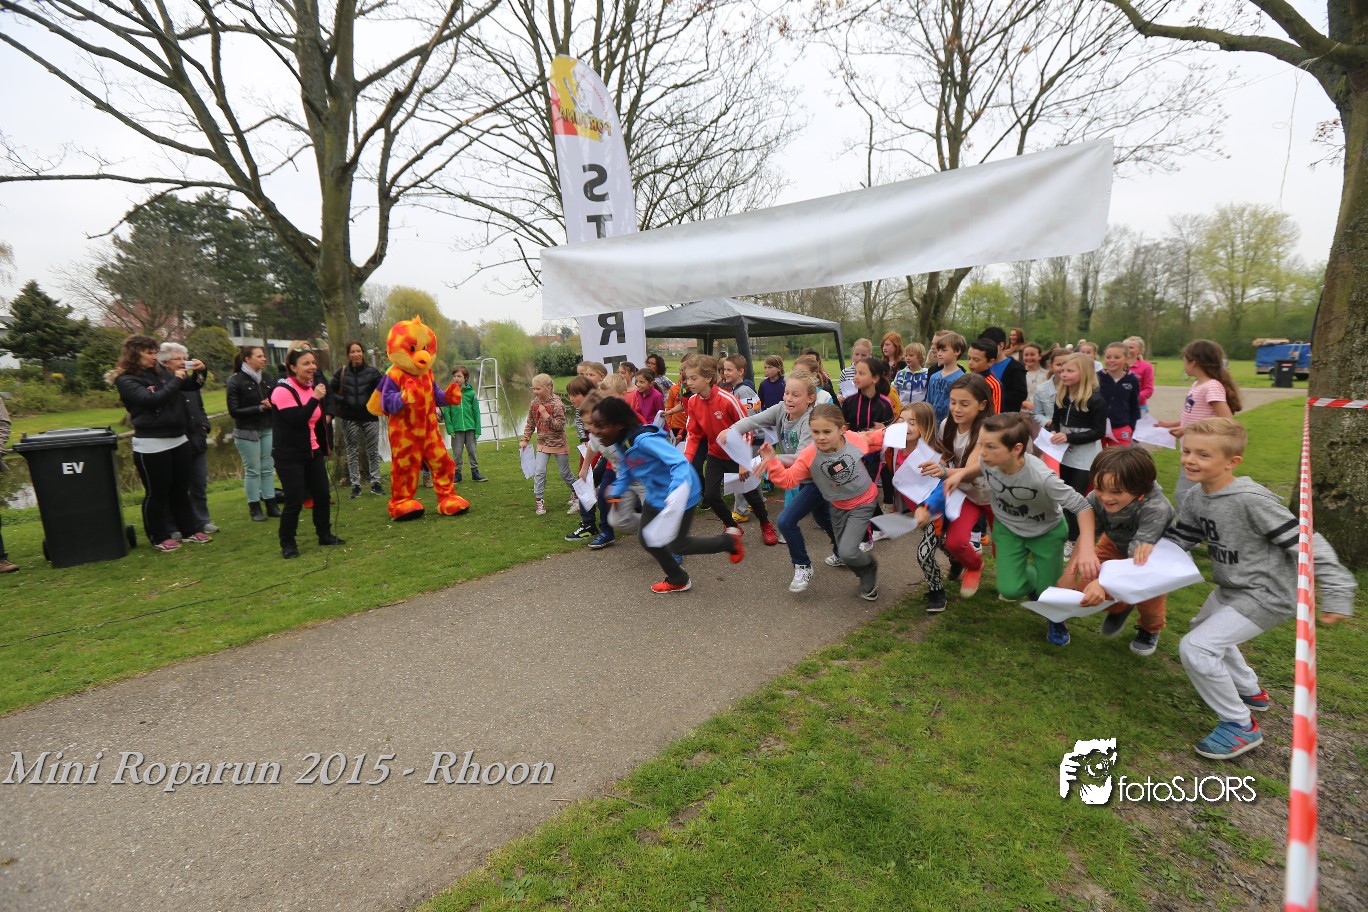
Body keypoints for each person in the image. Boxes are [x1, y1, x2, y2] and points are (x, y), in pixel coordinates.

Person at [1163, 418, 1356, 759]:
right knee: (1202, 630)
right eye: (1187, 451)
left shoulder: (1251, 501)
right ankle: (1249, 690)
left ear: (1231, 462)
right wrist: (1142, 561)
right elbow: (1184, 538)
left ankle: (1239, 725)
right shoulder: (1195, 496)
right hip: (1232, 586)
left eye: (1203, 455)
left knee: (1197, 648)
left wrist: (1338, 591)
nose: (1190, 460)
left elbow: (1308, 543)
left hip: (1268, 593)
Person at [958, 414, 1098, 646]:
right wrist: (953, 475)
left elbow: (1083, 506)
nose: (982, 453)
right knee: (1010, 590)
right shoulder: (989, 461)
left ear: (1016, 449)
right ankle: (1034, 584)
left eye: (990, 446)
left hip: (1047, 532)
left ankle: (1055, 619)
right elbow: (976, 470)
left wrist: (1088, 549)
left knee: (1049, 591)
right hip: (1008, 528)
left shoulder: (1042, 478)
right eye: (981, 444)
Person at [594, 396, 743, 593]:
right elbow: (628, 470)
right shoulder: (622, 444)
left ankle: (729, 542)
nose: (595, 431)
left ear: (618, 424)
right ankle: (678, 578)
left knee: (678, 545)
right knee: (647, 538)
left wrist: (675, 495)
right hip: (657, 495)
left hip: (682, 492)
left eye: (601, 425)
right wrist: (617, 489)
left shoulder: (644, 440)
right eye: (594, 426)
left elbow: (679, 463)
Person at [723, 370, 834, 592]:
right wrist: (731, 430)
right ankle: (846, 547)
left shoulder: (811, 421)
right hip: (804, 478)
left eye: (796, 395)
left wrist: (772, 459)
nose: (789, 398)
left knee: (785, 521)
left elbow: (801, 458)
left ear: (810, 398)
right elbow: (752, 420)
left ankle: (803, 565)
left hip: (818, 478)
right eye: (787, 393)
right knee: (823, 519)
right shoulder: (781, 409)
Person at [1059, 446, 1176, 656]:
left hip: (1150, 558)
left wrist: (1103, 582)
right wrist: (1069, 573)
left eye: (1116, 492)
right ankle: (1121, 606)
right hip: (1113, 543)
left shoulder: (1156, 508)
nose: (1105, 497)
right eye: (1099, 488)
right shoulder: (1096, 497)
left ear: (1140, 487)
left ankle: (1150, 629)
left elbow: (1137, 560)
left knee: (1150, 603)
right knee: (1088, 587)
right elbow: (1087, 535)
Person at [760, 403, 884, 600]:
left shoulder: (853, 439)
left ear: (842, 429)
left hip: (864, 502)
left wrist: (895, 432)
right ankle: (864, 567)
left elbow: (875, 439)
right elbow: (788, 480)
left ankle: (868, 569)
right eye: (815, 432)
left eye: (827, 431)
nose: (821, 437)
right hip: (838, 506)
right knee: (845, 553)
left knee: (847, 551)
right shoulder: (809, 454)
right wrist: (772, 462)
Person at [113, 334, 210, 552]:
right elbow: (151, 400)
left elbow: (192, 385)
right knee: (157, 493)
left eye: (155, 352)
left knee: (180, 490)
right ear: (134, 354)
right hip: (151, 444)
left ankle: (189, 531)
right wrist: (176, 380)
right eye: (149, 353)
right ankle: (159, 536)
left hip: (178, 439)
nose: (154, 356)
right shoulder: (126, 379)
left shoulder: (161, 373)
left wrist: (201, 371)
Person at [682, 355, 778, 544]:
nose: (689, 382)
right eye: (687, 378)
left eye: (693, 378)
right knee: (710, 495)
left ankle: (766, 524)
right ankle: (732, 526)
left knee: (751, 494)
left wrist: (743, 461)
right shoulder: (693, 402)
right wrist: (686, 460)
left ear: (708, 378)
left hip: (737, 455)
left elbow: (747, 429)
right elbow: (693, 434)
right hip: (715, 455)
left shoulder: (728, 400)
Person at [920, 374, 995, 598]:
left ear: (982, 405)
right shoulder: (947, 424)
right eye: (953, 402)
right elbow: (946, 456)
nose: (956, 409)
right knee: (955, 542)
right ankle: (974, 566)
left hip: (996, 497)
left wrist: (942, 471)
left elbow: (971, 471)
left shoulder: (988, 430)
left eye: (964, 404)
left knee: (1004, 547)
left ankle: (1013, 576)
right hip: (968, 496)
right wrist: (934, 465)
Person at [270, 347, 343, 558]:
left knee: (322, 495)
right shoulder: (282, 390)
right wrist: (314, 398)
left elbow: (317, 422)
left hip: (312, 452)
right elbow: (296, 420)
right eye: (306, 363)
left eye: (313, 362)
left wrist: (323, 446)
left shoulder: (311, 387)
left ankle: (324, 534)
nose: (312, 367)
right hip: (289, 455)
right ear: (293, 367)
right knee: (294, 500)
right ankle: (288, 543)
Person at [1155, 339, 1243, 505]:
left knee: (1184, 494)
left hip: (1203, 451)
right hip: (1192, 449)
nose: (1183, 365)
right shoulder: (1198, 384)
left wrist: (1186, 430)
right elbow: (1194, 416)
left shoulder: (1211, 386)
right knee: (1192, 494)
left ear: (1193, 362)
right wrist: (1170, 424)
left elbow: (1226, 419)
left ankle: (1191, 521)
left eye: (1184, 360)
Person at [894, 401, 953, 613]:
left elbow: (944, 486)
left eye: (912, 423)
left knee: (924, 553)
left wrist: (927, 508)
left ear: (926, 426)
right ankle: (957, 560)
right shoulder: (894, 448)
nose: (905, 426)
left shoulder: (934, 455)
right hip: (918, 511)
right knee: (942, 542)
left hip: (934, 512)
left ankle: (937, 592)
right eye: (901, 421)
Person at [1045, 352, 1108, 547]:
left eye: (1070, 371)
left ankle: (1074, 540)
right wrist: (1054, 431)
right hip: (1065, 454)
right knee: (1064, 494)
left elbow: (1099, 431)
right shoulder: (1062, 396)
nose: (1064, 374)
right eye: (1062, 370)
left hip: (1085, 458)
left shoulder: (1096, 400)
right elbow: (1056, 421)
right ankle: (1067, 533)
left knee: (1076, 497)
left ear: (1085, 373)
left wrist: (1069, 437)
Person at [159, 343, 216, 534]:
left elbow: (200, 406)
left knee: (199, 483)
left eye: (184, 358)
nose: (183, 362)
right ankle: (173, 526)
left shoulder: (188, 381)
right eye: (178, 359)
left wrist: (204, 426)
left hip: (196, 439)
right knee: (175, 487)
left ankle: (202, 520)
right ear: (165, 362)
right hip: (175, 441)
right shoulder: (163, 383)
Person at [226, 345, 280, 522]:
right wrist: (259, 408)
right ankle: (254, 508)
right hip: (247, 432)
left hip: (268, 428)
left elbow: (276, 400)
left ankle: (271, 505)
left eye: (264, 355)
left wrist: (272, 404)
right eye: (259, 356)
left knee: (267, 468)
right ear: (247, 359)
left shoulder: (268, 378)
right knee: (253, 470)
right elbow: (234, 411)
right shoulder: (235, 381)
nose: (264, 359)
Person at [331, 340, 385, 498]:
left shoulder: (372, 372)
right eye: (352, 352)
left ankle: (375, 483)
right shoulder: (341, 372)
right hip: (349, 417)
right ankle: (355, 486)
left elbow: (383, 389)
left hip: (370, 416)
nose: (356, 354)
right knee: (352, 451)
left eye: (358, 351)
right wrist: (342, 401)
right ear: (348, 354)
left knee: (373, 451)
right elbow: (329, 390)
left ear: (363, 353)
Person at [520, 374, 576, 516]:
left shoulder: (557, 404)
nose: (535, 392)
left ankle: (577, 492)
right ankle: (539, 500)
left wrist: (546, 415)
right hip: (542, 443)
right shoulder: (534, 404)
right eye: (533, 389)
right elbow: (530, 423)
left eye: (538, 389)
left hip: (558, 443)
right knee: (539, 471)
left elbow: (560, 426)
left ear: (549, 388)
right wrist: (525, 439)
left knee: (564, 473)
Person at [442, 364, 485, 484]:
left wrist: (478, 429)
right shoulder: (449, 393)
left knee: (472, 451)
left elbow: (476, 412)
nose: (456, 378)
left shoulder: (471, 393)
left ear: (465, 377)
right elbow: (447, 412)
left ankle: (475, 472)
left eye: (459, 376)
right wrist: (450, 428)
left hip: (470, 428)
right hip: (456, 429)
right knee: (457, 453)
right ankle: (457, 474)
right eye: (454, 376)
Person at [1097, 342, 1142, 447]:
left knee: (1119, 456)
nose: (1112, 360)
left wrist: (1132, 427)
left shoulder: (1132, 380)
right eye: (1108, 357)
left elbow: (1134, 406)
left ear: (1126, 358)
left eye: (1117, 357)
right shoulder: (1097, 378)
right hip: (1098, 427)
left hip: (1121, 427)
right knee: (1097, 457)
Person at [926, 332, 967, 424]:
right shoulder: (934, 377)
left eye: (944, 350)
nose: (939, 354)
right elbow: (929, 401)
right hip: (932, 424)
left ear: (957, 351)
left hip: (950, 424)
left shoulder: (962, 379)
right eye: (939, 350)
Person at [1123, 336, 1156, 417]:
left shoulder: (1146, 366)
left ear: (1140, 350)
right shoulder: (1117, 364)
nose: (1128, 350)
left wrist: (1133, 398)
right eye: (1125, 347)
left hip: (1139, 408)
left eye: (1131, 347)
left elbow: (1148, 389)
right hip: (1119, 407)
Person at [1021, 343, 1050, 407]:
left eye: (1032, 355)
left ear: (1040, 356)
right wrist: (1026, 404)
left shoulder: (1047, 374)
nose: (1029, 358)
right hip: (1022, 411)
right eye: (1026, 355)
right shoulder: (1018, 374)